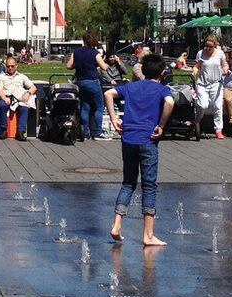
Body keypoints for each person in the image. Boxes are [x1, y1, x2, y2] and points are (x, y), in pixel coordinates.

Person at [104, 53, 173, 247]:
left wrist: (113, 118)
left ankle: (117, 225)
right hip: (148, 141)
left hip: (128, 139)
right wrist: (161, 124)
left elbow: (109, 94)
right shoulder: (161, 89)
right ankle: (148, 235)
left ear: (142, 70)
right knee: (149, 185)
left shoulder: (131, 86)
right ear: (162, 72)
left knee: (128, 183)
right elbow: (170, 102)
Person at [66, 32, 111, 141]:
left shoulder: (76, 52)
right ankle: (97, 132)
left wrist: (77, 66)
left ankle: (85, 132)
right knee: (99, 107)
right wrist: (107, 63)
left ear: (83, 40)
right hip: (92, 81)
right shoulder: (94, 53)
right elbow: (103, 67)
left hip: (81, 81)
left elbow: (68, 66)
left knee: (85, 107)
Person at [192, 35, 230, 139]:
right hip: (203, 83)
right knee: (203, 104)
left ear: (215, 46)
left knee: (218, 106)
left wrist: (225, 70)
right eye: (206, 46)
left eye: (210, 46)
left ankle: (218, 130)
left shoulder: (220, 54)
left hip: (216, 83)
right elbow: (197, 65)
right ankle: (197, 119)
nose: (208, 48)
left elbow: (224, 64)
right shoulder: (201, 53)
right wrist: (194, 71)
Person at [0, 56, 36, 141]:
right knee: (2, 105)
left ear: (16, 66)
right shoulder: (1, 77)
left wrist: (28, 94)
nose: (10, 68)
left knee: (24, 108)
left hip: (18, 98)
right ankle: (3, 129)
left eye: (12, 66)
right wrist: (4, 98)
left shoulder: (22, 76)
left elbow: (33, 87)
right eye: (8, 66)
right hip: (6, 96)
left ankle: (20, 132)